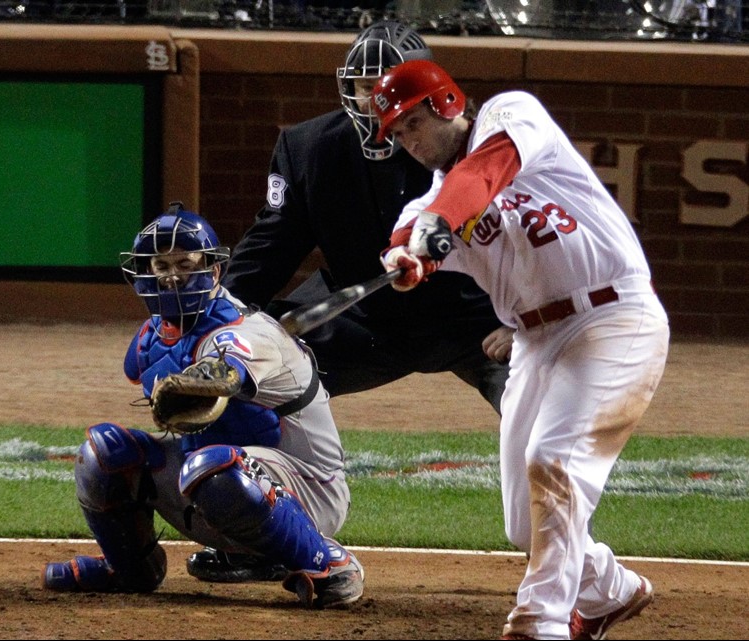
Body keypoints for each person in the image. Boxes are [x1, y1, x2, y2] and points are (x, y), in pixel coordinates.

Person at [193, 19, 513, 584]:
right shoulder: (307, 147)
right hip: (361, 315)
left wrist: (525, 325)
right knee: (248, 380)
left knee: (542, 420)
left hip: (478, 316)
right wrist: (212, 324)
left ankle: (573, 562)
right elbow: (271, 247)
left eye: (384, 82)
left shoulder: (475, 140)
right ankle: (261, 540)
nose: (373, 98)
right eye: (362, 85)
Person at [369, 59, 669, 640]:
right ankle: (609, 590)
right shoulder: (428, 204)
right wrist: (407, 259)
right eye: (397, 134)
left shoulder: (511, 115)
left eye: (412, 122)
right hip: (536, 341)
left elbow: (481, 176)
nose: (407, 140)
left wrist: (437, 223)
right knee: (523, 524)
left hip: (614, 315)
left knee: (554, 461)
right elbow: (409, 237)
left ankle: (540, 622)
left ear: (448, 104)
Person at [42, 202, 364, 609]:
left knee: (212, 466)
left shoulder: (246, 332)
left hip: (308, 490)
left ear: (212, 271)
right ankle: (130, 569)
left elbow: (228, 373)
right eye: (161, 266)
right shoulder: (151, 340)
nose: (172, 277)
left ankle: (329, 564)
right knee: (104, 453)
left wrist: (199, 379)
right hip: (215, 492)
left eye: (185, 264)